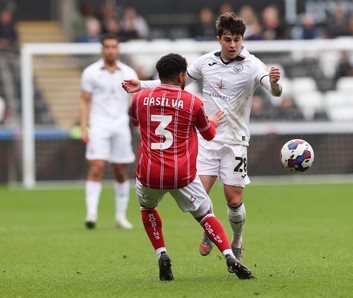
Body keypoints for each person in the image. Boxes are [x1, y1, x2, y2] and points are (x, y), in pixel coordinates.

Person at [122, 12, 282, 268]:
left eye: (237, 39)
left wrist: (274, 83)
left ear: (243, 39)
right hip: (207, 139)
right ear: (219, 39)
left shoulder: (253, 64)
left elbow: (274, 91)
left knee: (233, 198)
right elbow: (172, 83)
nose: (232, 44)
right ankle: (210, 231)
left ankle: (237, 243)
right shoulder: (205, 62)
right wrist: (141, 85)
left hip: (235, 140)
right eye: (228, 39)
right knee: (202, 195)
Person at [130, 53, 254, 281]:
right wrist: (213, 121)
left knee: (147, 209)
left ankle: (162, 253)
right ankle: (229, 255)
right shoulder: (192, 102)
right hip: (181, 175)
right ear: (180, 76)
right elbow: (208, 135)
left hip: (149, 173)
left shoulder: (140, 98)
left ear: (159, 75)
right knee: (206, 214)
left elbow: (136, 122)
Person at [80, 33, 138, 229]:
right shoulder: (91, 72)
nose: (111, 50)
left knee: (121, 171)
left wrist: (139, 125)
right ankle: (91, 213)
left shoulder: (128, 72)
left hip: (121, 126)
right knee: (96, 167)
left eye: (114, 46)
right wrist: (83, 127)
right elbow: (84, 101)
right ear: (102, 49)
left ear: (118, 48)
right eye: (107, 46)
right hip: (98, 126)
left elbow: (135, 102)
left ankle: (120, 217)